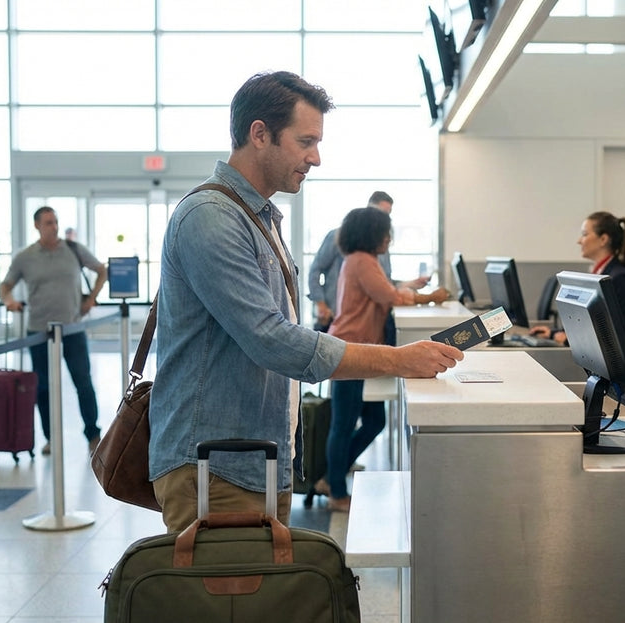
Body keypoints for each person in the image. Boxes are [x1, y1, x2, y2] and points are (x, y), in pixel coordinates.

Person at [149, 71, 462, 533]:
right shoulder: (212, 218)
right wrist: (399, 360)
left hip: (254, 457)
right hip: (214, 465)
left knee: (260, 603)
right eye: (306, 142)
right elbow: (272, 341)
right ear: (260, 134)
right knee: (229, 605)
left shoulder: (257, 217)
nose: (315, 157)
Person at [316, 207, 451, 512]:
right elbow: (389, 296)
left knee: (374, 420)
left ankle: (331, 476)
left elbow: (388, 290)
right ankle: (335, 491)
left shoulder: (363, 260)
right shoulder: (362, 261)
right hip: (348, 350)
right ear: (371, 234)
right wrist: (429, 297)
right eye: (385, 232)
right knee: (344, 422)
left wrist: (412, 290)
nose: (389, 239)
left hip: (358, 348)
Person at [0, 206, 107, 456]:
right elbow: (5, 285)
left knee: (83, 382)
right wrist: (9, 301)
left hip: (72, 330)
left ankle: (93, 435)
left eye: (56, 222)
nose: (54, 227)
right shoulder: (24, 257)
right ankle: (50, 438)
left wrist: (91, 298)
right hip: (39, 333)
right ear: (37, 225)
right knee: (43, 388)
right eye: (48, 222)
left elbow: (102, 270)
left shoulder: (73, 250)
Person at [530, 211, 625, 379]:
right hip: (610, 371)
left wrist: (564, 338)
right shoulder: (601, 274)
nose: (579, 241)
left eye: (585, 234)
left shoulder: (619, 278)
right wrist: (556, 332)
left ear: (603, 239)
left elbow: (614, 335)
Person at [307, 191, 429, 334]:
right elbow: (390, 295)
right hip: (341, 321)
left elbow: (382, 284)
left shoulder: (372, 252)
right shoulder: (361, 259)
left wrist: (411, 283)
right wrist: (321, 304)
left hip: (362, 325)